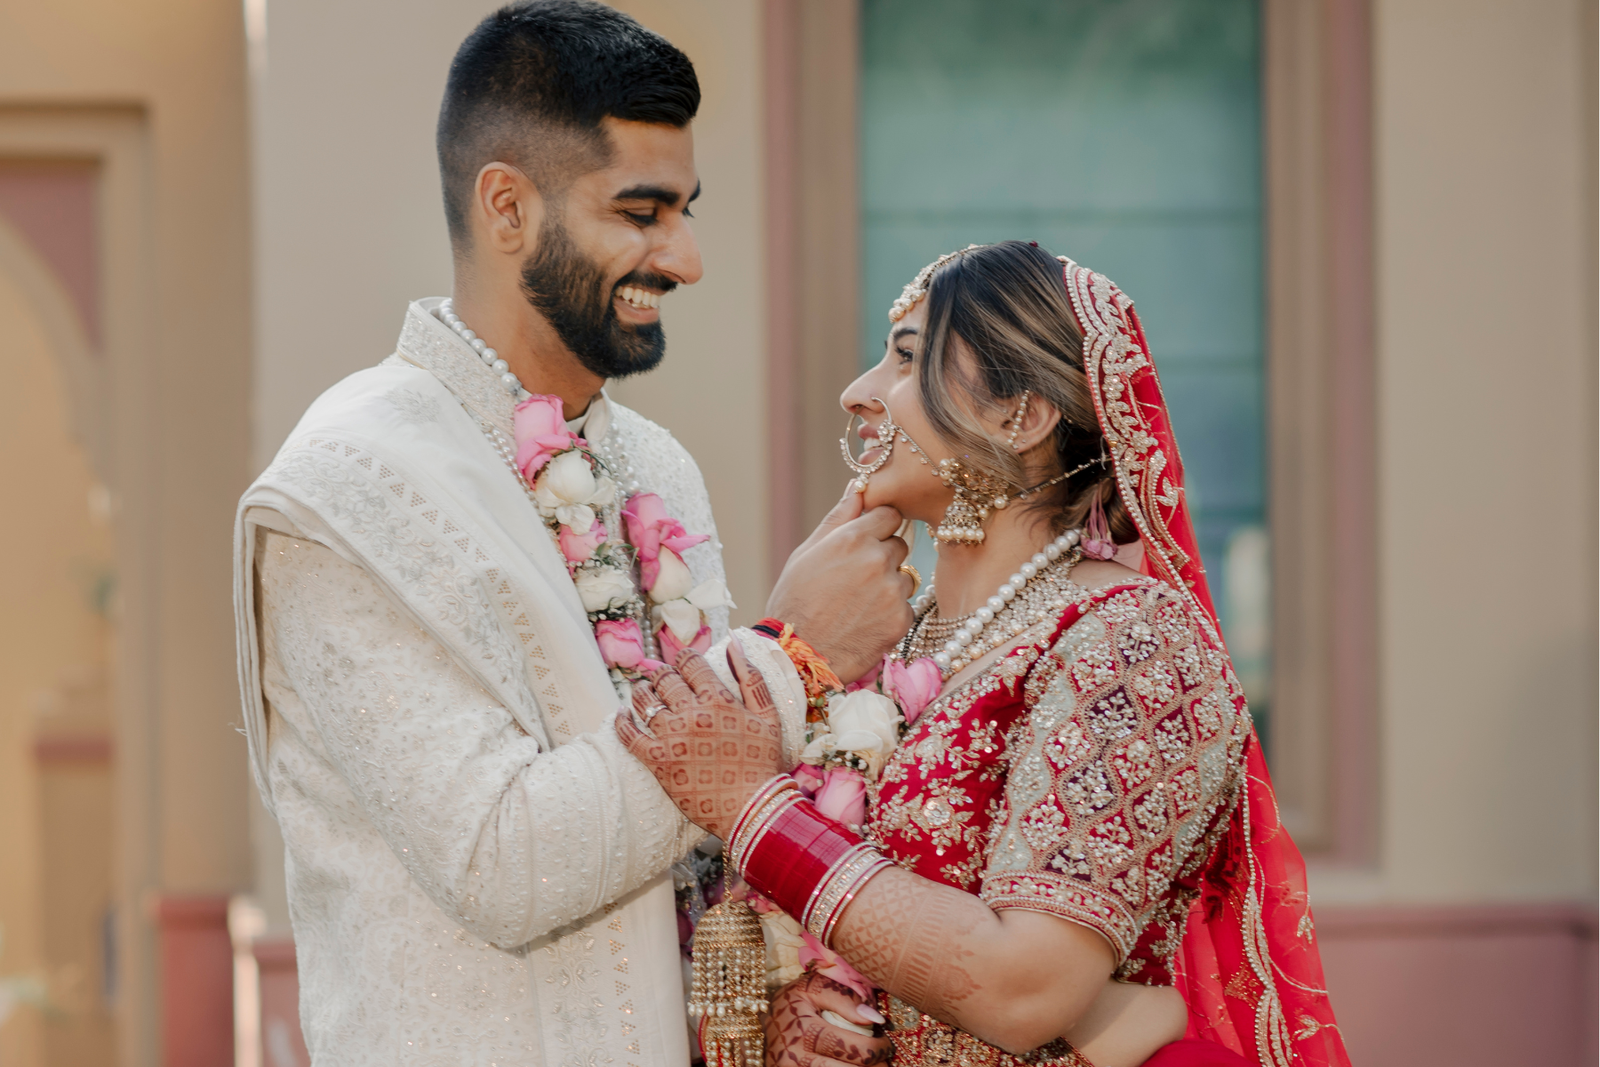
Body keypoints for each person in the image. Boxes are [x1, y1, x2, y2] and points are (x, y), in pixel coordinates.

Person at [232, 3, 912, 1063]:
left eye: (685, 210)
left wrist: (756, 1019)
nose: (684, 258)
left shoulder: (654, 464)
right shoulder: (344, 491)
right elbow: (501, 860)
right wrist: (791, 658)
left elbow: (685, 859)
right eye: (640, 212)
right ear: (507, 206)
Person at [624, 241, 1351, 1067]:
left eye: (904, 359)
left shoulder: (1131, 640)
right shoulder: (895, 635)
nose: (856, 394)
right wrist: (796, 1006)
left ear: (1022, 414)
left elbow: (1024, 988)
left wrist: (751, 805)